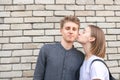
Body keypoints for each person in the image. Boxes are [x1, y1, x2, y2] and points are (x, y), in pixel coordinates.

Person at [34, 15, 85, 80]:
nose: (71, 31)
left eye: (74, 29)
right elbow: (37, 76)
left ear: (77, 33)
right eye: (67, 28)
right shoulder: (46, 50)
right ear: (61, 30)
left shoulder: (80, 56)